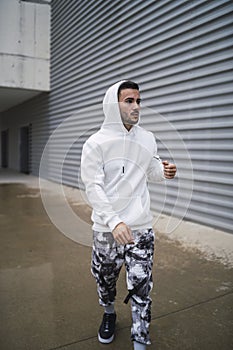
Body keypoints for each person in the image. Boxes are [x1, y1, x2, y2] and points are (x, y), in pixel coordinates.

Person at [81, 80, 176, 350]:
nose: (137, 106)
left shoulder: (146, 138)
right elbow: (93, 187)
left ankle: (140, 339)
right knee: (105, 279)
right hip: (106, 230)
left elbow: (151, 169)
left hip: (140, 228)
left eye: (138, 100)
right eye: (129, 101)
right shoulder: (95, 143)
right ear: (114, 104)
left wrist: (165, 171)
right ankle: (109, 313)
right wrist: (114, 221)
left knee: (141, 285)